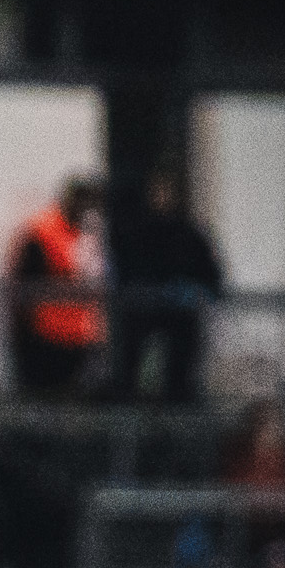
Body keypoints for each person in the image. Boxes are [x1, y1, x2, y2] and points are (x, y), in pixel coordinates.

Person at [110, 167, 222, 404]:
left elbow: (212, 277)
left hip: (180, 323)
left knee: (178, 383)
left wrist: (191, 293)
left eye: (165, 191)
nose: (160, 197)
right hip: (142, 321)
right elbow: (125, 274)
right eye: (155, 191)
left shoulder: (189, 234)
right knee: (134, 384)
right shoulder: (135, 234)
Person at [8, 177, 107, 397]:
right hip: (45, 335)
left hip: (78, 335)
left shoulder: (88, 233)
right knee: (45, 400)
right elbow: (24, 285)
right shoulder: (41, 231)